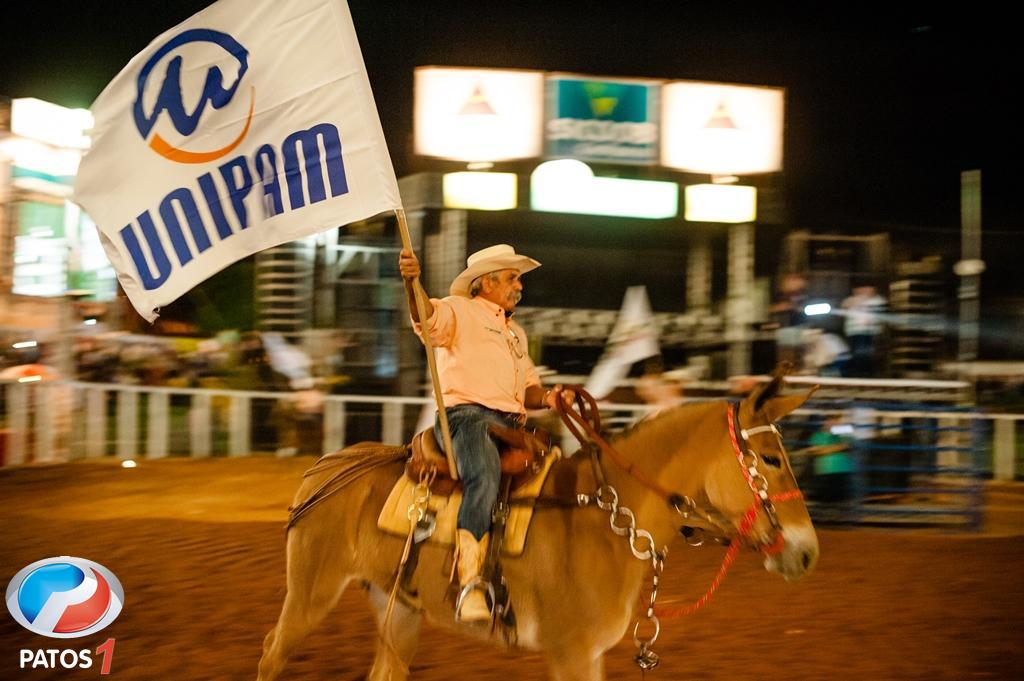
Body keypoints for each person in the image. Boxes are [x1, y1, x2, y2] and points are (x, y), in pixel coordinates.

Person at [398, 243, 569, 623]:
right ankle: (470, 584)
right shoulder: (459, 310)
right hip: (466, 418)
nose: (520, 286)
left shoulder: (516, 335)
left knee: (556, 470)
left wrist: (553, 398)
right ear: (485, 282)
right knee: (485, 473)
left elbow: (528, 391)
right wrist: (413, 284)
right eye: (512, 278)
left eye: (519, 279)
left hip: (511, 425)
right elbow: (425, 316)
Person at [841, 285, 886, 377]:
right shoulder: (851, 300)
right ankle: (855, 371)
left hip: (870, 332)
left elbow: (880, 308)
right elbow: (845, 306)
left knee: (866, 352)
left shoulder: (876, 300)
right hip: (855, 332)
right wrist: (859, 300)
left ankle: (863, 371)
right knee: (858, 352)